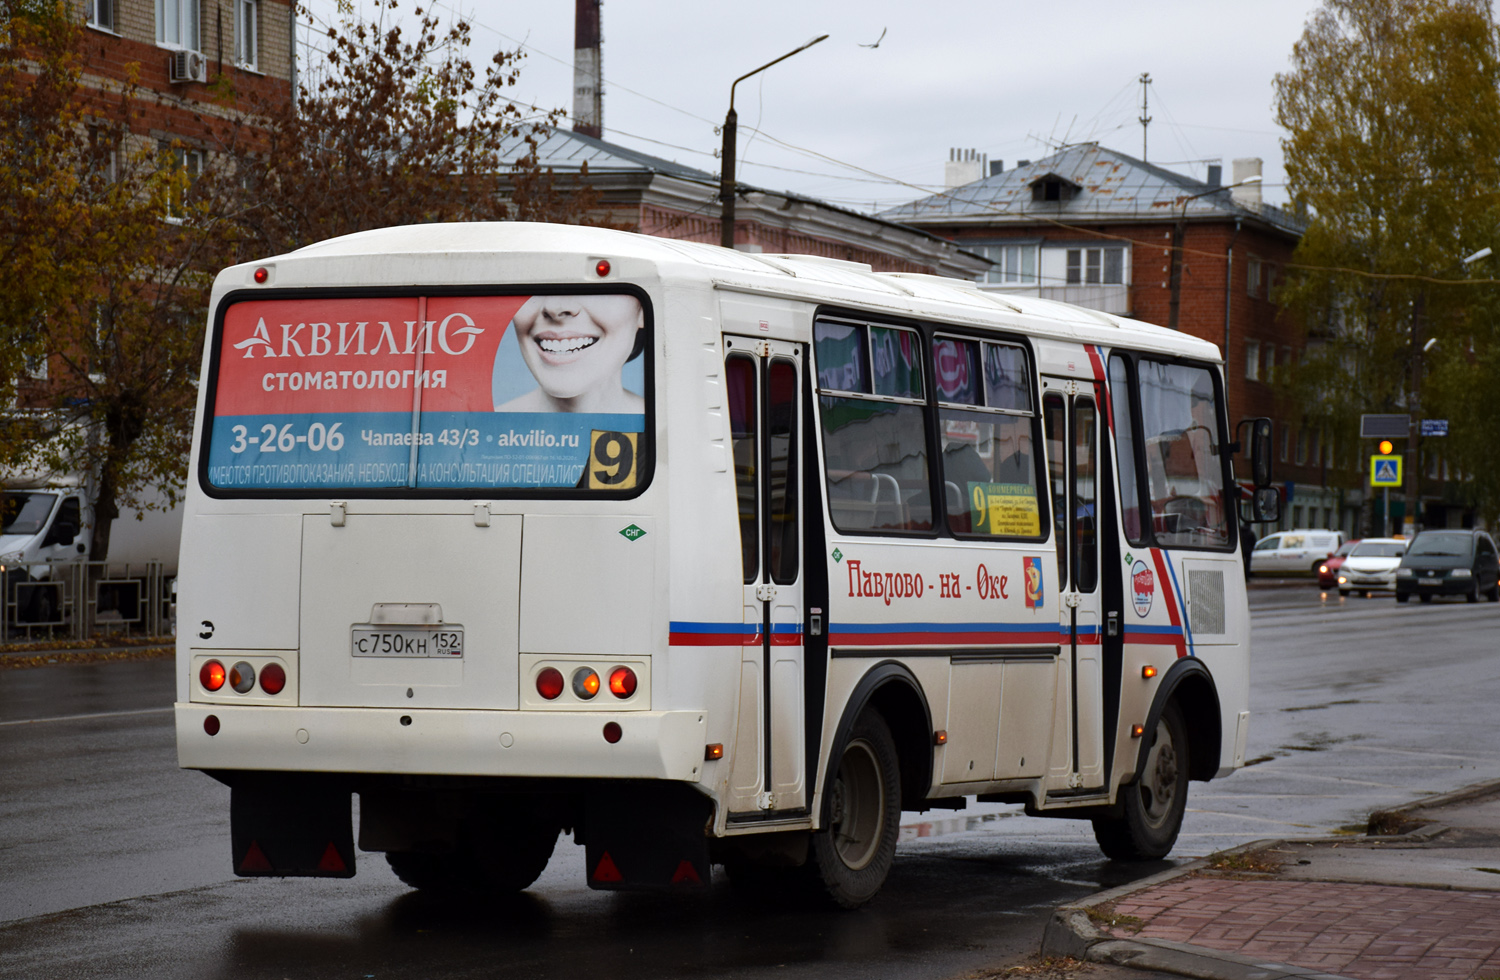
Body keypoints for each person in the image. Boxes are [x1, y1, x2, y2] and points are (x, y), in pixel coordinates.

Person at [495, 294, 645, 414]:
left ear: (642, 311)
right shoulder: (481, 430)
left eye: (593, 287)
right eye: (531, 284)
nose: (554, 308)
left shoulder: (665, 427)